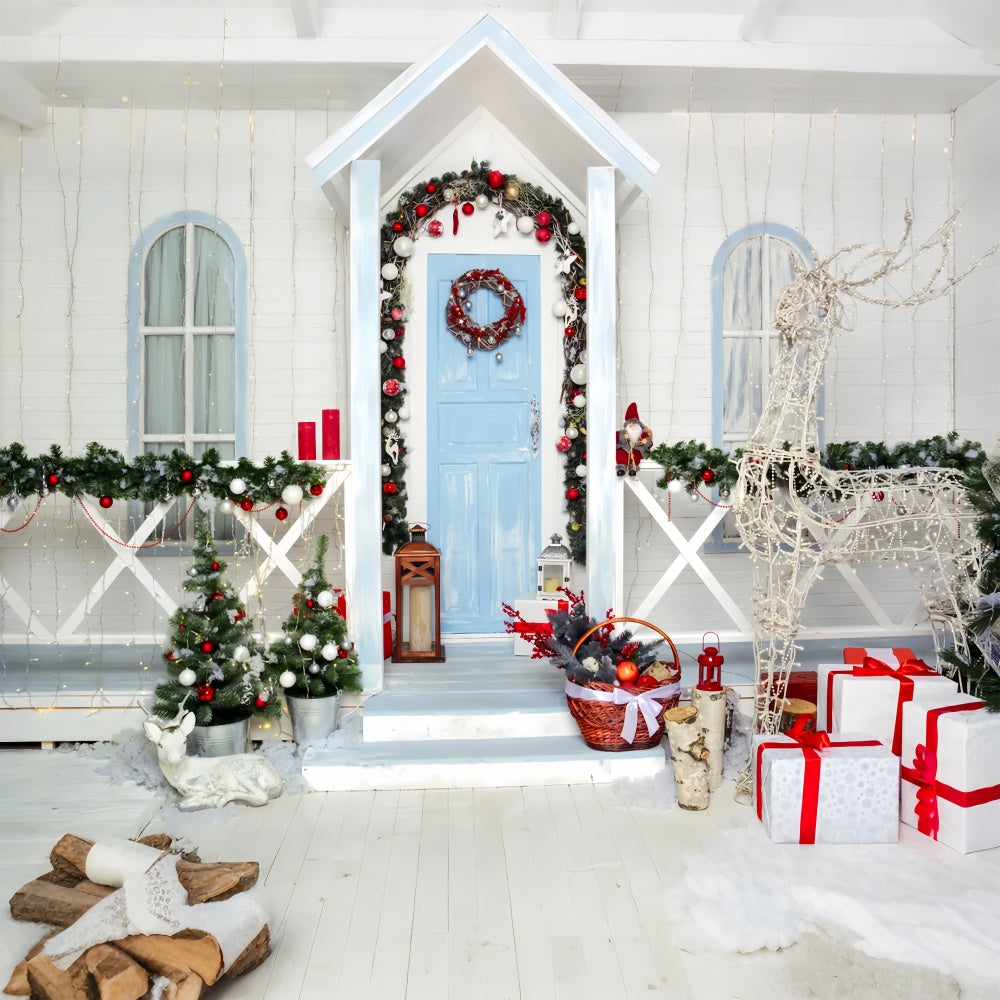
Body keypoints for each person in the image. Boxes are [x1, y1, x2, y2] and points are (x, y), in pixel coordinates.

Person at [615, 402, 653, 477]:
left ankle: (633, 469)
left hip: (637, 449)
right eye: (630, 424)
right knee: (620, 454)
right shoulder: (621, 433)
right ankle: (621, 469)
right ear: (626, 425)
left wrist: (646, 442)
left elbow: (650, 443)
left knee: (637, 456)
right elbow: (614, 438)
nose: (633, 426)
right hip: (624, 449)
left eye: (635, 424)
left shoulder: (642, 434)